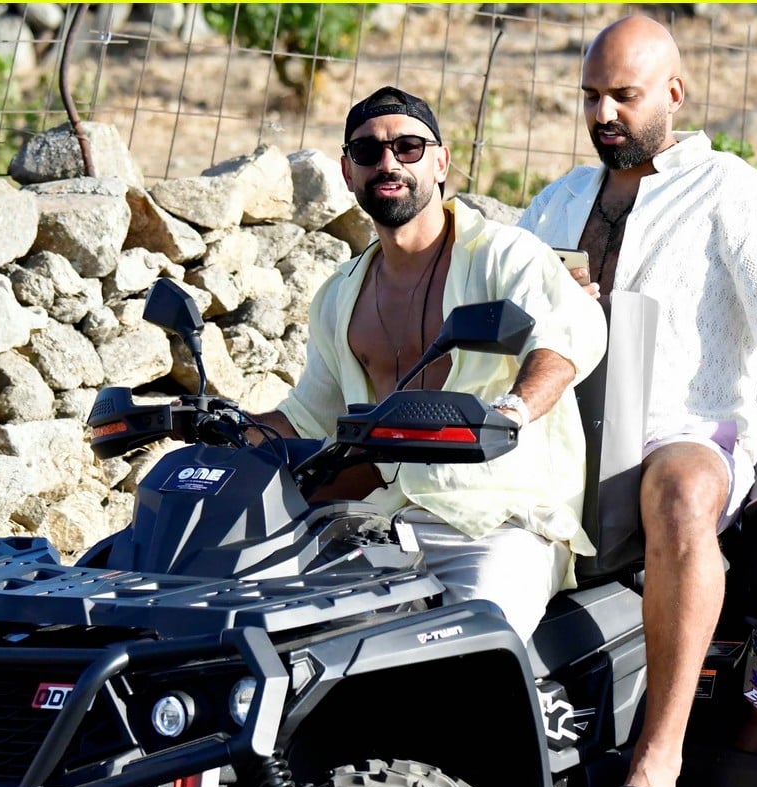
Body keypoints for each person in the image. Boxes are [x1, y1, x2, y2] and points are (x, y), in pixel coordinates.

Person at [517, 17, 757, 787]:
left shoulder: (728, 190)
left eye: (624, 97)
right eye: (592, 96)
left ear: (673, 93)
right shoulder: (561, 198)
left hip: (692, 426)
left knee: (677, 492)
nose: (604, 114)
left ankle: (656, 768)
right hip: (572, 432)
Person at [248, 86, 607, 642]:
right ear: (348, 171)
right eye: (368, 153)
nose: (388, 163)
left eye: (409, 147)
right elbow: (306, 420)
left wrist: (513, 409)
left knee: (472, 655)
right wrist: (203, 427)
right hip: (384, 522)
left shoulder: (502, 255)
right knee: (279, 639)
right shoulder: (339, 295)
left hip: (498, 524)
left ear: (441, 161)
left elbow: (570, 333)